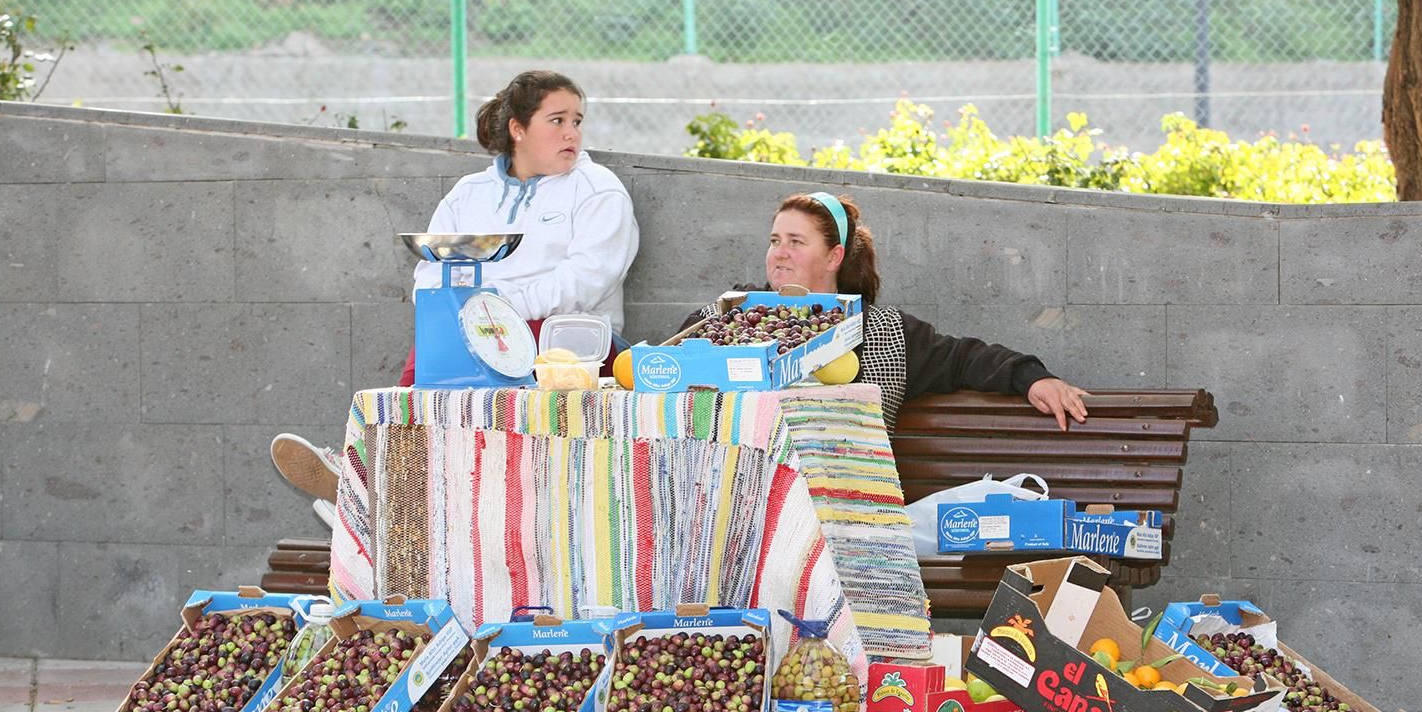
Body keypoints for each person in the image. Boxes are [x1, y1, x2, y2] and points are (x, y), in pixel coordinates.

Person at [272, 70, 639, 512]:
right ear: (518, 129)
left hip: (570, 343)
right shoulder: (469, 193)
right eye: (557, 120)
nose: (571, 133)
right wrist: (463, 316)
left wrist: (496, 312)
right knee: (433, 347)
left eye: (577, 121)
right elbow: (430, 275)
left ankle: (368, 491)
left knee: (481, 341)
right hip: (480, 332)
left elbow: (587, 280)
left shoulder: (599, 189)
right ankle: (369, 479)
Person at [682, 191, 1088, 432]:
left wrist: (1033, 378)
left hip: (842, 509)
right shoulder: (731, 312)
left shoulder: (882, 331)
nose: (780, 253)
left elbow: (964, 357)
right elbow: (675, 360)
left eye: (796, 242)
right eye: (775, 240)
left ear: (833, 256)